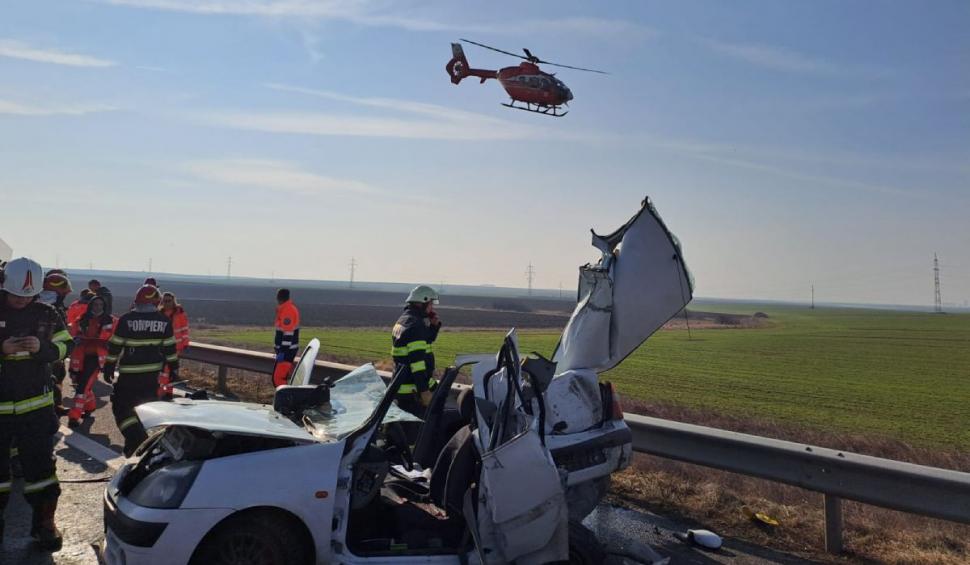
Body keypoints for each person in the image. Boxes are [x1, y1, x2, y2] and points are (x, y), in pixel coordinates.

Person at [0, 258, 73, 550]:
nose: (21, 300)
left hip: (36, 408)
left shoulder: (48, 313)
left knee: (41, 469)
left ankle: (44, 525)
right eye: (17, 294)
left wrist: (44, 348)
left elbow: (68, 343)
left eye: (28, 296)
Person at [102, 284, 178, 456]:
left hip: (129, 375)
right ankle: (136, 447)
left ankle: (137, 439)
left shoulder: (127, 320)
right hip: (151, 377)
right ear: (157, 301)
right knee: (144, 410)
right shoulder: (164, 321)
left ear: (136, 300)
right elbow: (170, 348)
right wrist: (173, 368)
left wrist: (109, 366)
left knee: (121, 408)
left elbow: (115, 345)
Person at [391, 285, 442, 418]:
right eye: (430, 304)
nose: (432, 308)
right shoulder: (416, 325)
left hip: (401, 385)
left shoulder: (404, 320)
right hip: (413, 392)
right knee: (418, 432)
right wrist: (424, 391)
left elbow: (422, 344)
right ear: (423, 302)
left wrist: (434, 327)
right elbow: (417, 363)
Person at [66, 295, 114, 427]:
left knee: (82, 386)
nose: (97, 307)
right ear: (91, 305)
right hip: (79, 356)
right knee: (78, 382)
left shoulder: (110, 320)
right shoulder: (82, 318)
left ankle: (74, 416)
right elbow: (73, 333)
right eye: (95, 304)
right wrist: (75, 338)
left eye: (100, 305)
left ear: (104, 306)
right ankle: (90, 405)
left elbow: (110, 338)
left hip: (96, 357)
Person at [39, 272, 73, 414]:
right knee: (52, 379)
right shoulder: (51, 307)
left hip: (48, 350)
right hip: (48, 353)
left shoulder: (45, 303)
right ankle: (53, 408)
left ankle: (55, 405)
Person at [157, 292, 189, 399]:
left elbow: (184, 329)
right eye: (164, 301)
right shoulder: (160, 313)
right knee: (163, 370)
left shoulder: (179, 313)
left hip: (175, 347)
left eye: (169, 301)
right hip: (162, 347)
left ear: (173, 301)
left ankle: (166, 392)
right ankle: (162, 391)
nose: (167, 303)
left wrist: (185, 344)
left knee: (169, 370)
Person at [272, 288, 300, 387]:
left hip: (287, 351)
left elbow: (288, 333)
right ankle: (283, 400)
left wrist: (282, 351)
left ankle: (285, 401)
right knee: (278, 378)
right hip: (286, 351)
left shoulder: (287, 310)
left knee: (278, 379)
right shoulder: (286, 309)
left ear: (278, 298)